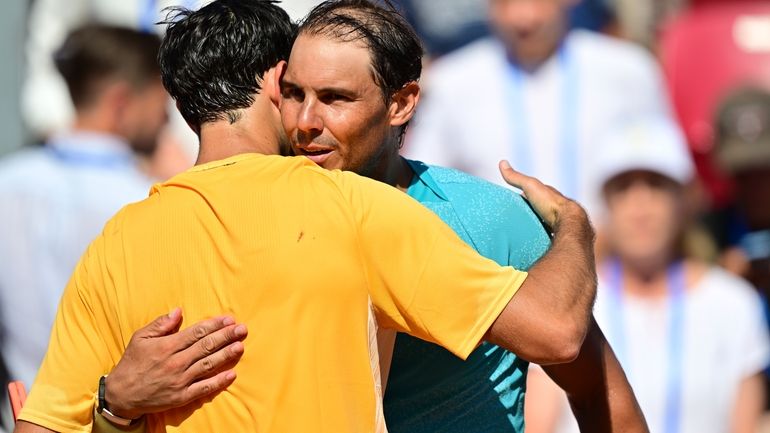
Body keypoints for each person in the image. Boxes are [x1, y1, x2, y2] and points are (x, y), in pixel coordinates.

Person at [14, 1, 598, 432]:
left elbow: (41, 425)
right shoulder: (353, 206)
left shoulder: (118, 241)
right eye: (299, 90)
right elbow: (558, 332)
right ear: (277, 82)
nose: (310, 116)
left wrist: (115, 407)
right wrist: (573, 226)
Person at [525, 115, 770, 433]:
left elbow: (745, 424)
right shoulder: (566, 301)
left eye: (656, 185)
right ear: (606, 202)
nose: (640, 205)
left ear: (683, 200)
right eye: (624, 187)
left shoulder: (733, 302)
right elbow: (537, 423)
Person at [0, 24, 167, 389]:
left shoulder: (7, 182)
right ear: (122, 102)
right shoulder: (150, 199)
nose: (166, 118)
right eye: (161, 102)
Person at [404, 0, 671, 217]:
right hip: (497, 269)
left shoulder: (628, 70)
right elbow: (423, 185)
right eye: (506, 2)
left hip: (614, 269)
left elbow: (668, 175)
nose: (524, 17)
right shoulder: (452, 81)